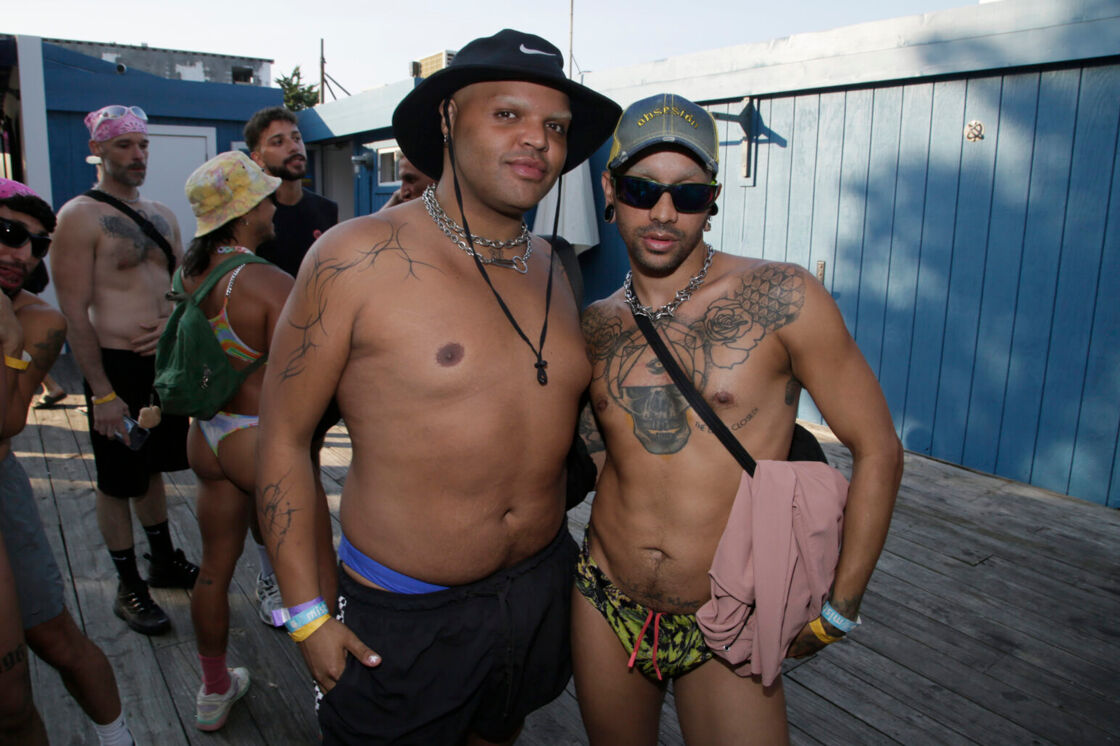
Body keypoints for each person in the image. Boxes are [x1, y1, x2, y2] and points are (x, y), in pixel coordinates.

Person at [256, 28, 620, 745]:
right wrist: (307, 615)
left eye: (555, 126)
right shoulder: (352, 258)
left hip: (539, 589)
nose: (537, 141)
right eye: (508, 115)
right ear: (449, 118)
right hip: (405, 613)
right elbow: (283, 439)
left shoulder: (555, 264)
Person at [573, 94, 904, 745]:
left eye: (688, 196)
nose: (664, 212)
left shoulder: (782, 298)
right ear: (611, 190)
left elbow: (878, 449)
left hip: (729, 615)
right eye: (642, 189)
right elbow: (597, 461)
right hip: (605, 599)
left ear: (714, 199)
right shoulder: (592, 326)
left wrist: (841, 608)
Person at [50, 105, 198, 636]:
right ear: (97, 150)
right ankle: (128, 584)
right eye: (124, 146)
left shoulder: (163, 214)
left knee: (151, 466)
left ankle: (162, 559)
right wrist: (101, 393)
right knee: (117, 481)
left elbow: (184, 288)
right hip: (114, 367)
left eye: (142, 145)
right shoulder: (78, 217)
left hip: (161, 367)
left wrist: (173, 325)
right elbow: (73, 310)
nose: (137, 156)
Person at [0, 178, 134, 745]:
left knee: (49, 645)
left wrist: (6, 338)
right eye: (8, 234)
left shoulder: (38, 322)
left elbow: (7, 423)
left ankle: (119, 736)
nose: (22, 254)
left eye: (36, 243)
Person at [176, 151, 296, 730]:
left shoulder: (188, 272)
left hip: (207, 436)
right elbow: (302, 384)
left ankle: (212, 689)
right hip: (258, 439)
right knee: (312, 570)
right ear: (247, 211)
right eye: (267, 197)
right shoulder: (269, 281)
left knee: (213, 570)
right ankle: (338, 689)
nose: (276, 205)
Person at [243, 105, 342, 627]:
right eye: (278, 141)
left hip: (317, 365)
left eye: (296, 137)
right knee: (271, 478)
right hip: (258, 374)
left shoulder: (326, 211)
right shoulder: (251, 215)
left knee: (307, 465)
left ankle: (320, 571)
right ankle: (269, 571)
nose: (294, 147)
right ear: (257, 157)